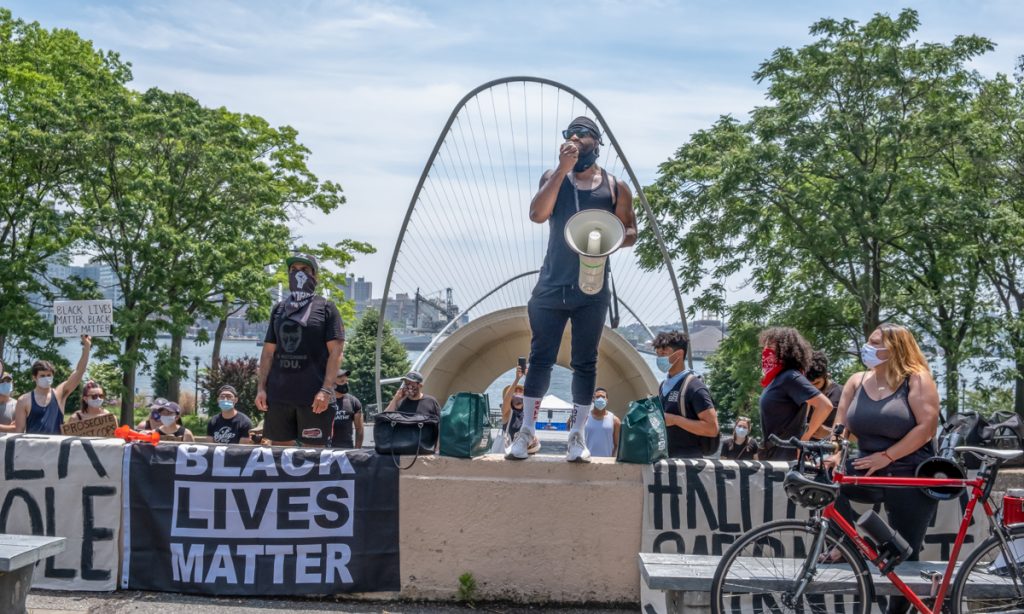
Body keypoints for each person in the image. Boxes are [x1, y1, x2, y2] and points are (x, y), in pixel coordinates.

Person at [509, 116, 638, 463]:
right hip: (552, 283)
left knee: (585, 362)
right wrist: (562, 168)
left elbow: (631, 231)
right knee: (540, 358)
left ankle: (576, 436)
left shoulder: (615, 187)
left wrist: (606, 240)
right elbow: (538, 214)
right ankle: (526, 433)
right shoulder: (554, 178)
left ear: (597, 142)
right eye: (571, 135)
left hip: (591, 286)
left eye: (584, 135)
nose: (577, 140)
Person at [828, 323, 940, 614]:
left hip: (909, 473)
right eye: (868, 341)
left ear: (895, 350)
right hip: (868, 468)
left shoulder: (917, 379)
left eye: (876, 343)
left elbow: (926, 428)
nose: (868, 347)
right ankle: (850, 544)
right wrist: (834, 451)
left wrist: (887, 456)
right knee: (826, 480)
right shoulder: (856, 380)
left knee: (906, 556)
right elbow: (840, 430)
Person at [256, 252, 344, 446]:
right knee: (279, 457)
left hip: (314, 398)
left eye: (304, 269)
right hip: (278, 397)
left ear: (315, 276)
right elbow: (268, 353)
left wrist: (326, 389)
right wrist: (261, 388)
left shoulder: (327, 308)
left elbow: (336, 353)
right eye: (293, 270)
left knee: (313, 457)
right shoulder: (279, 309)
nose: (298, 274)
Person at [756, 327, 835, 461]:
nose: (765, 351)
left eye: (770, 346)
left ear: (785, 349)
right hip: (773, 452)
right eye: (764, 346)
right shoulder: (778, 379)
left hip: (785, 455)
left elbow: (825, 405)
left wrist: (805, 438)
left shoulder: (790, 377)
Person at [653, 331, 719, 459]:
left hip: (689, 463)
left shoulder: (695, 387)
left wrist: (674, 420)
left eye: (664, 353)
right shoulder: (663, 385)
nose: (659, 358)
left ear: (679, 354)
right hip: (667, 459)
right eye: (658, 354)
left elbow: (712, 428)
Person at [15, 335, 92, 434]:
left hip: (56, 447)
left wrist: (87, 347)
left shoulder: (59, 394)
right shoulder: (24, 400)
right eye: (42, 376)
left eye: (49, 375)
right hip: (32, 447)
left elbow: (79, 371)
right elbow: (19, 431)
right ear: (34, 377)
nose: (46, 378)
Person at [500, 364, 539, 454]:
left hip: (527, 454)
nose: (518, 392)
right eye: (515, 391)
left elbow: (536, 395)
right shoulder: (508, 413)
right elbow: (506, 401)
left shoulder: (527, 413)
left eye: (520, 391)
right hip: (510, 454)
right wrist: (517, 379)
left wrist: (528, 378)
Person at [806, 350, 842, 440]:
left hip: (831, 451)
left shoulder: (842, 394)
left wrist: (830, 433)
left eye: (817, 383)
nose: (813, 389)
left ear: (826, 375)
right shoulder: (801, 392)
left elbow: (858, 435)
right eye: (808, 385)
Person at [329, 369, 364, 449]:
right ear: (333, 384)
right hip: (327, 450)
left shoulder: (354, 401)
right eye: (342, 381)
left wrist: (357, 451)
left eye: (346, 381)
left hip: (346, 449)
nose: (345, 383)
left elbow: (359, 430)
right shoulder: (324, 402)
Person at [583, 387, 620, 458]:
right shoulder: (585, 418)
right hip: (587, 461)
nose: (600, 399)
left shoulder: (615, 421)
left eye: (603, 397)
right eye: (597, 397)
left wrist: (611, 460)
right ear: (593, 399)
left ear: (607, 400)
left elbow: (616, 445)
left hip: (606, 463)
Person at [0, 364, 17, 433]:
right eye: (2, 381)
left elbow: (17, 428)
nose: (6, 383)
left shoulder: (18, 404)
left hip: (8, 443)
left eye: (8, 381)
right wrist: (7, 427)